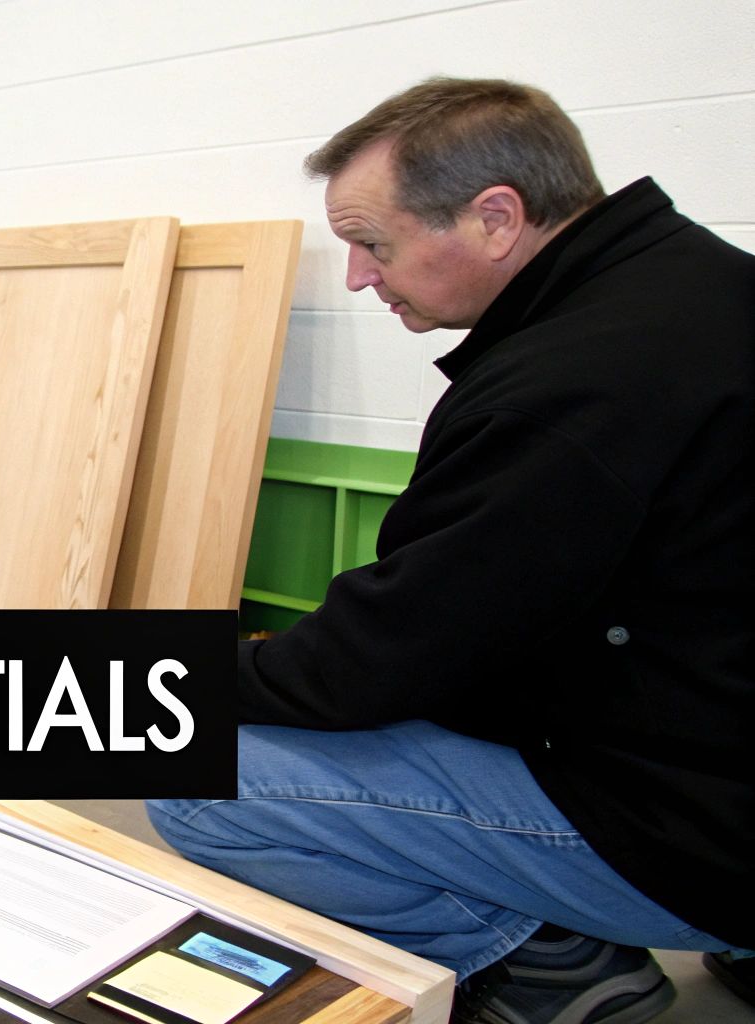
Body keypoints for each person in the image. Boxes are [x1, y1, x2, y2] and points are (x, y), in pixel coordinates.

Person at [145, 77, 753, 1024]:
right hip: (716, 753)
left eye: (374, 243)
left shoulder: (572, 385)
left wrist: (170, 683)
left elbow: (378, 662)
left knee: (199, 779)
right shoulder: (705, 288)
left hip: (700, 831)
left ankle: (540, 964)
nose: (358, 276)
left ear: (495, 218)